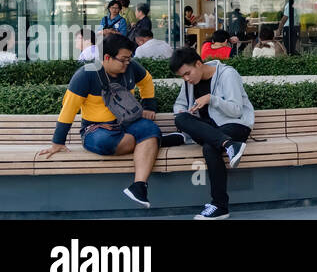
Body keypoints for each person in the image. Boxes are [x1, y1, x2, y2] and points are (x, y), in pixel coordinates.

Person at [35, 34, 161, 208]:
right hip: (96, 129)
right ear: (107, 57)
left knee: (149, 127)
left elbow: (146, 80)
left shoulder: (131, 67)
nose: (127, 63)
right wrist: (58, 141)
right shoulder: (85, 75)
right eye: (123, 59)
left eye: (129, 59)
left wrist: (149, 106)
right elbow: (69, 109)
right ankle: (153, 142)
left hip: (127, 123)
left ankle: (139, 186)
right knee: (110, 141)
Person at [171, 46, 255, 220]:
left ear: (198, 63)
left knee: (210, 148)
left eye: (187, 73)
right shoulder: (189, 83)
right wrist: (183, 111)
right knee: (180, 119)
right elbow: (179, 105)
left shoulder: (227, 74)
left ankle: (220, 206)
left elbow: (237, 110)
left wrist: (211, 99)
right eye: (182, 76)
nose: (186, 79)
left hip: (235, 125)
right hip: (212, 130)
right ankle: (229, 145)